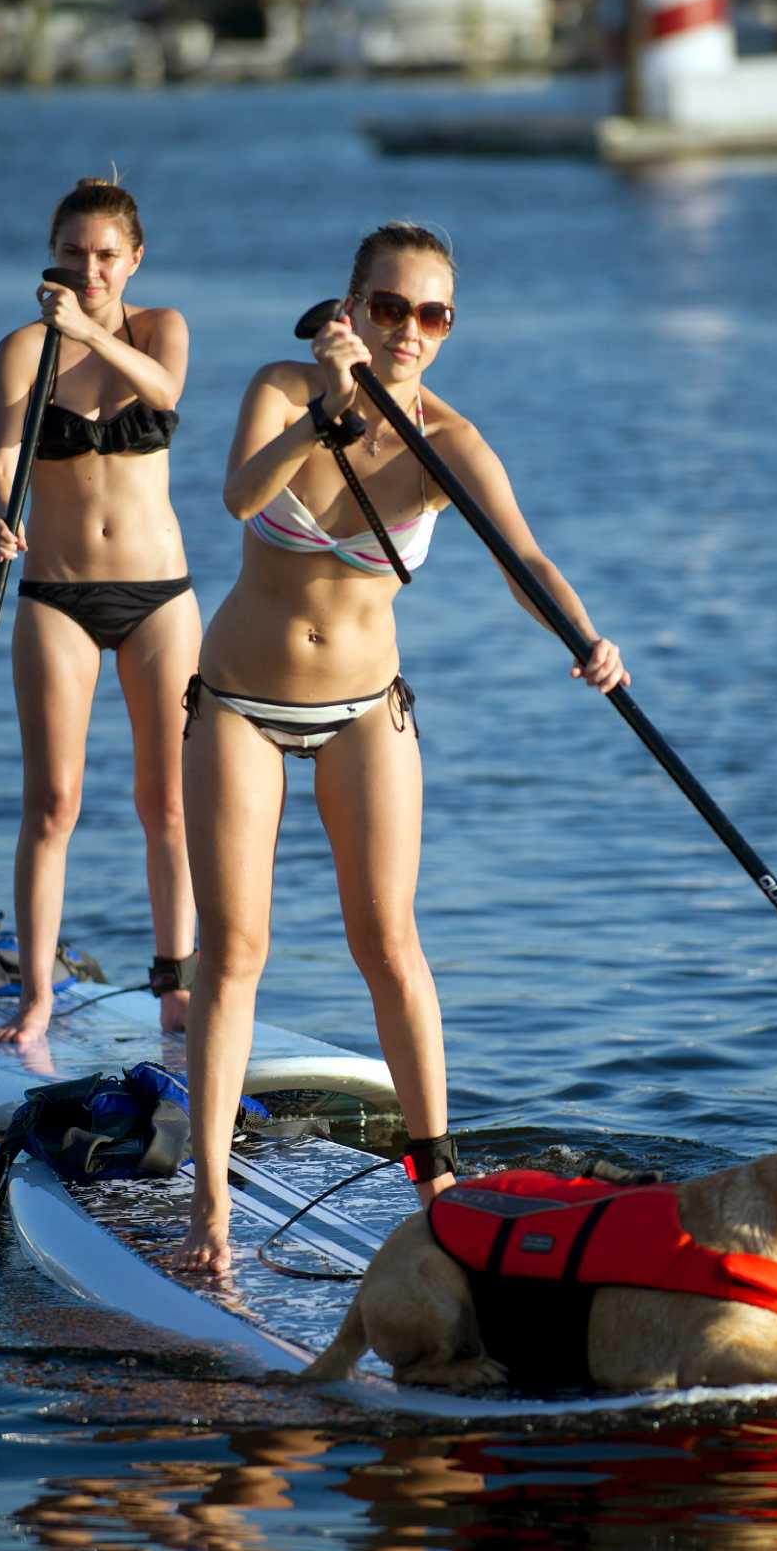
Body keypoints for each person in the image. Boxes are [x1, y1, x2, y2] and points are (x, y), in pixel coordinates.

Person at [178, 221, 629, 1276]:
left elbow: (524, 556)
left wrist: (588, 637)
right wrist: (329, 413)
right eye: (390, 308)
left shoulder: (449, 440)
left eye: (433, 315)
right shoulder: (285, 389)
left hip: (366, 707)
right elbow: (242, 495)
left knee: (389, 941)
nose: (411, 331)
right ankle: (208, 1204)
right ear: (350, 307)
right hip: (240, 701)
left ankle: (442, 1186)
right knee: (236, 950)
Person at [0, 176, 201, 1043]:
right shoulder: (21, 349)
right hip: (56, 593)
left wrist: (84, 332)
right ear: (53, 253)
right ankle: (37, 997)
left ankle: (174, 986)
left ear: (134, 259)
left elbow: (164, 394)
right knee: (54, 802)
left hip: (160, 597)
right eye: (74, 252)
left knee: (170, 804)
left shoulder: (161, 329)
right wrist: (2, 513)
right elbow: (1, 459)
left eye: (107, 254)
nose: (90, 267)